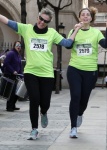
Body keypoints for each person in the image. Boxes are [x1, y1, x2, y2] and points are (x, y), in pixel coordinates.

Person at [0, 8, 78, 140]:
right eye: (40, 19)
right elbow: (7, 21)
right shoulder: (27, 29)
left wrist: (76, 29)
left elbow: (67, 43)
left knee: (45, 102)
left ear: (49, 22)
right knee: (34, 100)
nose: (42, 22)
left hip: (47, 74)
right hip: (31, 72)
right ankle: (34, 129)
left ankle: (44, 112)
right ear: (38, 17)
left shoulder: (52, 33)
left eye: (45, 21)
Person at [67, 6, 107, 138]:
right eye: (83, 15)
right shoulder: (73, 30)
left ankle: (80, 114)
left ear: (91, 18)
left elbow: (105, 44)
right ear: (79, 17)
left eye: (88, 15)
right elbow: (68, 45)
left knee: (84, 100)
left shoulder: (96, 33)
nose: (85, 16)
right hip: (74, 68)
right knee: (75, 96)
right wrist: (76, 30)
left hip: (90, 71)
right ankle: (73, 127)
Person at [3, 41, 22, 112]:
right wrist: (12, 71)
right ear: (14, 45)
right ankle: (9, 107)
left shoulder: (18, 55)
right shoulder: (11, 53)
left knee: (17, 92)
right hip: (10, 75)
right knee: (11, 92)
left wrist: (21, 74)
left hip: (16, 76)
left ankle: (13, 105)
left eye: (20, 45)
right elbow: (6, 63)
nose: (18, 46)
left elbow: (19, 66)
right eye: (17, 45)